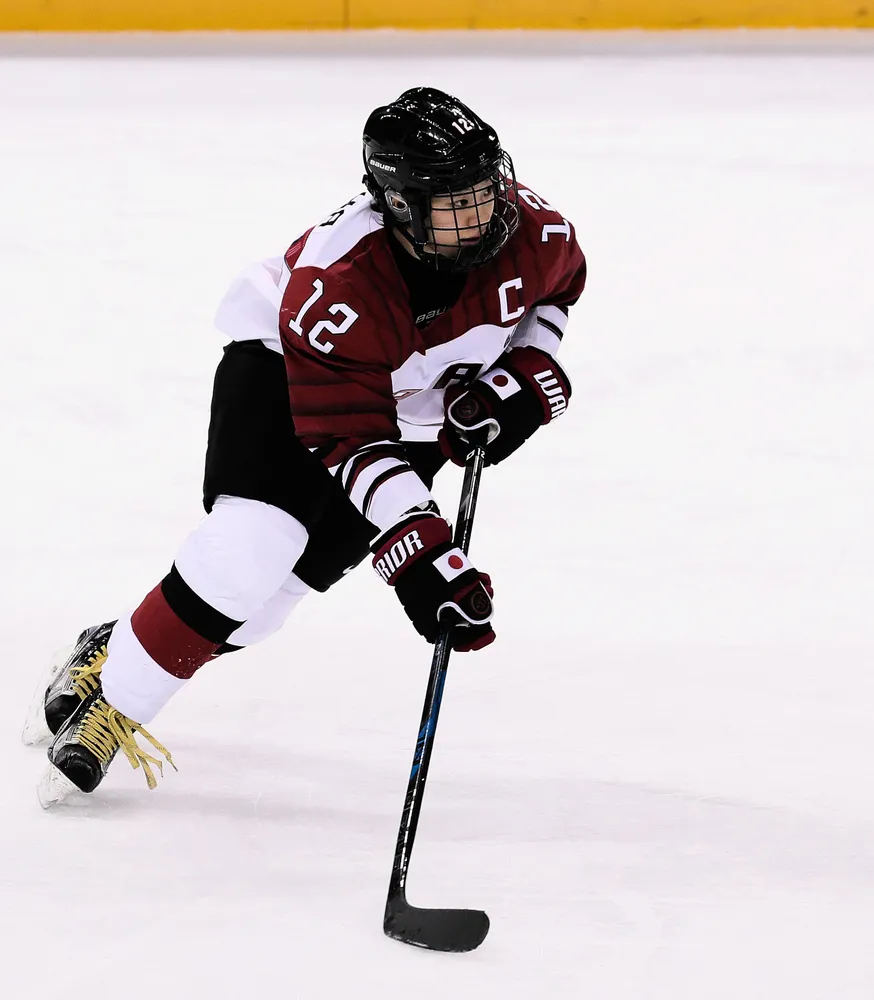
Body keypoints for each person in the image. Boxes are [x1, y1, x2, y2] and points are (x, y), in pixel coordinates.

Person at [23, 87, 587, 806]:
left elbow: (559, 289)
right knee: (249, 552)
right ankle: (115, 704)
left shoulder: (531, 230)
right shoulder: (339, 286)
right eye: (457, 202)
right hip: (288, 371)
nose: (485, 214)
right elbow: (349, 438)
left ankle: (119, 644)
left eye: (487, 189)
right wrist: (419, 544)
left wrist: (532, 363)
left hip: (407, 405)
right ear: (402, 205)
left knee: (265, 609)